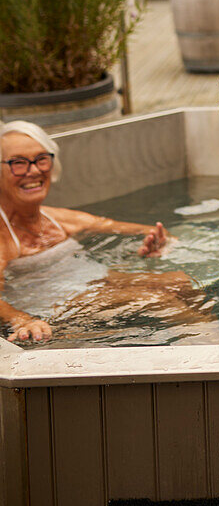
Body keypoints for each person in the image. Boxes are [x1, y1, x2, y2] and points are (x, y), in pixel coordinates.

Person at [0, 120, 183, 344]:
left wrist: (155, 243)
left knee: (180, 283)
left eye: (41, 159)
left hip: (97, 284)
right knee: (158, 299)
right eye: (18, 163)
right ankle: (207, 364)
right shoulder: (3, 235)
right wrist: (22, 320)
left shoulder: (57, 219)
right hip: (58, 308)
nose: (34, 170)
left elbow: (146, 230)